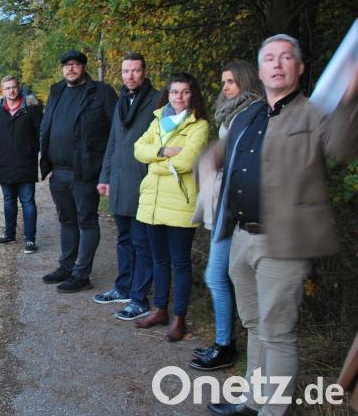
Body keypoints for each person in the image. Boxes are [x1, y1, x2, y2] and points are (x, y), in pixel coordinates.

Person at [207, 35, 358, 416]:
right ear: (259, 71)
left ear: (300, 68)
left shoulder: (315, 113)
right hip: (240, 236)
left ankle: (274, 411)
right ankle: (253, 401)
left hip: (284, 240)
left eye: (286, 58)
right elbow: (219, 155)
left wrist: (349, 98)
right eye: (269, 58)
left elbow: (342, 149)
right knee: (254, 324)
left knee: (277, 332)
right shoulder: (249, 114)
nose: (277, 64)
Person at [189, 60, 263, 371]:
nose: (225, 87)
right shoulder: (232, 112)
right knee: (221, 275)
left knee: (217, 276)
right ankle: (224, 341)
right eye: (223, 82)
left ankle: (226, 345)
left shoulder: (253, 113)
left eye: (231, 81)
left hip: (235, 206)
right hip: (223, 205)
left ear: (245, 80)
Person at [132, 72, 210, 342]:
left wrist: (154, 163)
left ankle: (179, 317)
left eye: (185, 92)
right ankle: (159, 310)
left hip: (180, 203)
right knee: (159, 260)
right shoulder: (158, 120)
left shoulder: (199, 126)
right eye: (175, 92)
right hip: (153, 202)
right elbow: (138, 149)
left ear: (192, 95)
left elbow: (186, 162)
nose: (179, 97)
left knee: (180, 263)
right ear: (168, 94)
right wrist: (164, 152)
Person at [39, 50, 118, 293]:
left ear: (84, 67)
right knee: (66, 220)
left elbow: (115, 133)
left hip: (85, 171)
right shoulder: (57, 91)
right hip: (58, 171)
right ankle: (67, 266)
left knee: (86, 221)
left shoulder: (101, 92)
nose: (71, 68)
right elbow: (47, 126)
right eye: (66, 64)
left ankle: (82, 274)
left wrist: (106, 171)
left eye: (75, 64)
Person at [93, 53, 160, 320]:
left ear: (144, 72)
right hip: (120, 181)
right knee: (123, 239)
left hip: (143, 182)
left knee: (142, 243)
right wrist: (105, 176)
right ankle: (122, 288)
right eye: (125, 71)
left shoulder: (157, 101)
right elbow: (113, 141)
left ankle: (139, 298)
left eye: (135, 71)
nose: (130, 76)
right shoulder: (121, 100)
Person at [0, 75, 43, 254]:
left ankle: (30, 239)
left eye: (13, 87)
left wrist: (30, 149)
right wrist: (4, 148)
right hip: (5, 164)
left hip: (26, 163)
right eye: (7, 88)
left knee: (27, 201)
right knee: (8, 200)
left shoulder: (31, 109)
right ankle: (9, 234)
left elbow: (41, 133)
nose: (11, 91)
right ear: (2, 91)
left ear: (19, 88)